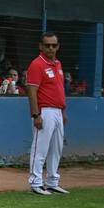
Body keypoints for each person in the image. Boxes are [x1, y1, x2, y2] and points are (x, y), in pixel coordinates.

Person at [27, 32, 69, 195]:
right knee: (40, 148)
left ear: (58, 46)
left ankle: (52, 181)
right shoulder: (37, 64)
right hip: (45, 111)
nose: (50, 48)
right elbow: (32, 91)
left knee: (56, 148)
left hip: (58, 111)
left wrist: (63, 112)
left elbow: (60, 90)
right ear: (41, 46)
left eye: (53, 45)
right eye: (47, 45)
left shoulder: (57, 64)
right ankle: (36, 182)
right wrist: (36, 115)